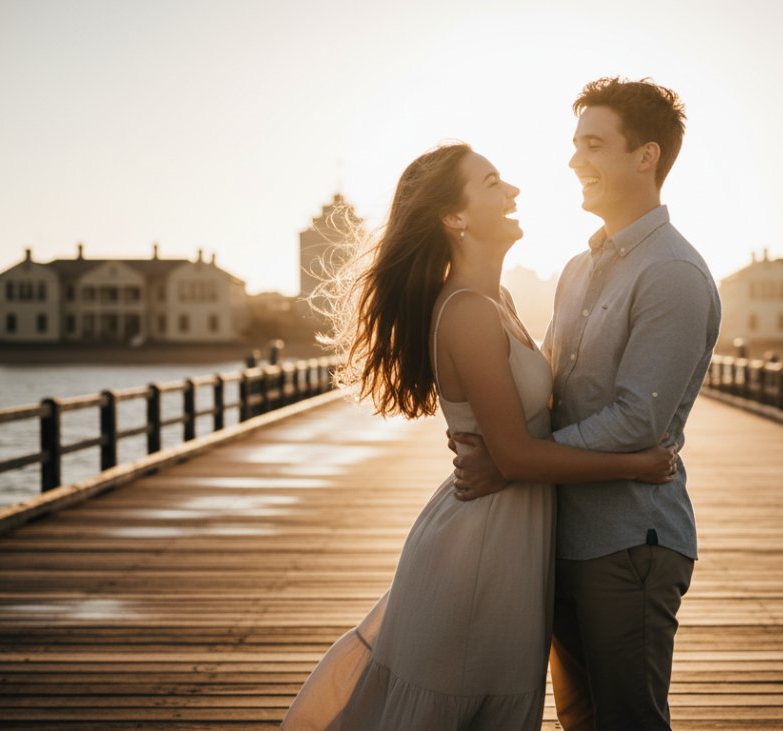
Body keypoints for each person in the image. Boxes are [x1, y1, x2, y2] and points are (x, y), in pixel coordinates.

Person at [279, 142, 678, 731]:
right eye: (493, 183)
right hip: (477, 547)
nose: (513, 191)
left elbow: (523, 433)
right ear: (454, 217)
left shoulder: (501, 301)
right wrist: (635, 464)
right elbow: (514, 453)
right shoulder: (466, 309)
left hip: (513, 538)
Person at [452, 77, 722, 730]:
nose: (575, 160)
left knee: (628, 721)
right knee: (579, 719)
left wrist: (516, 462)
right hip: (560, 535)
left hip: (630, 539)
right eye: (575, 145)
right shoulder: (576, 268)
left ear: (646, 156)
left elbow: (639, 422)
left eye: (594, 144)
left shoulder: (672, 274)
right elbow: (550, 389)